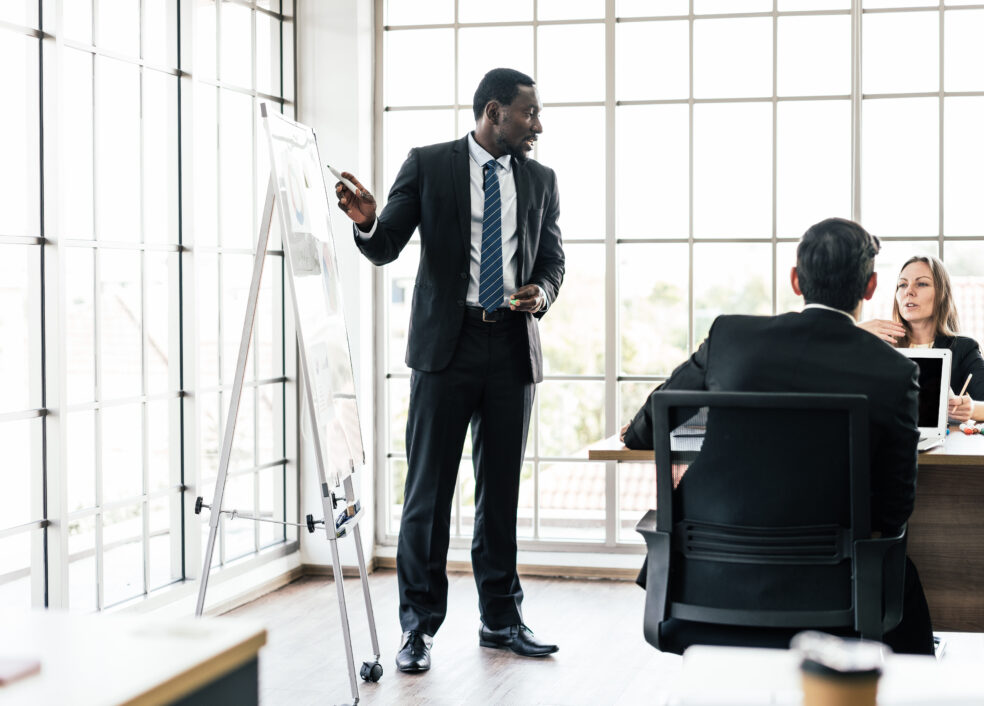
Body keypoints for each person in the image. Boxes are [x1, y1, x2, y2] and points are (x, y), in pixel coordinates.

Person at [334, 68, 565, 673]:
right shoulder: (430, 164)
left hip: (511, 347)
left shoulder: (540, 180)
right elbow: (386, 245)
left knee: (502, 493)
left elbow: (553, 259)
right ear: (495, 112)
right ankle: (418, 628)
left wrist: (540, 291)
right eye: (529, 114)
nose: (537, 124)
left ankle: (500, 619)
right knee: (428, 494)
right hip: (447, 347)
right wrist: (366, 222)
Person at [622, 217, 934, 655]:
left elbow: (649, 427)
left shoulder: (731, 338)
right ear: (870, 287)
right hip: (835, 599)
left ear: (795, 280)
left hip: (703, 591)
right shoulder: (895, 371)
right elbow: (894, 510)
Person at [859, 256, 984, 423]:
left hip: (942, 447)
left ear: (942, 294)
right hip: (886, 442)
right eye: (902, 284)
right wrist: (853, 332)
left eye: (921, 284)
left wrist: (972, 409)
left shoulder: (963, 348)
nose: (909, 291)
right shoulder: (879, 345)